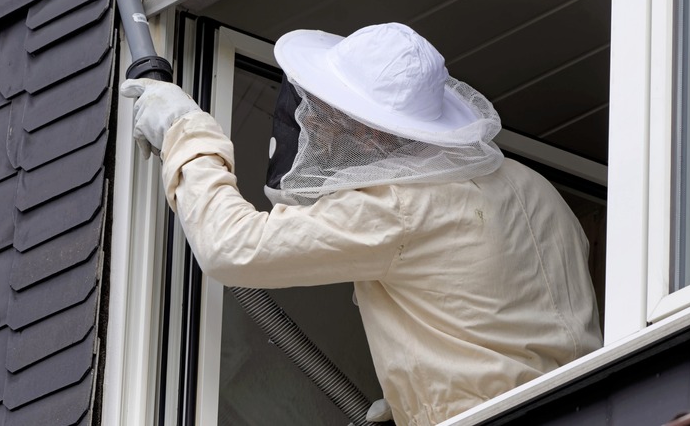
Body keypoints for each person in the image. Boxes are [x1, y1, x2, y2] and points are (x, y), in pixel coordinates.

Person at [120, 22, 603, 426]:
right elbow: (500, 327)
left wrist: (184, 131)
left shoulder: (398, 204)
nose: (320, 128)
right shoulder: (536, 188)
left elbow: (231, 246)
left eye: (331, 116)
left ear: (370, 133)